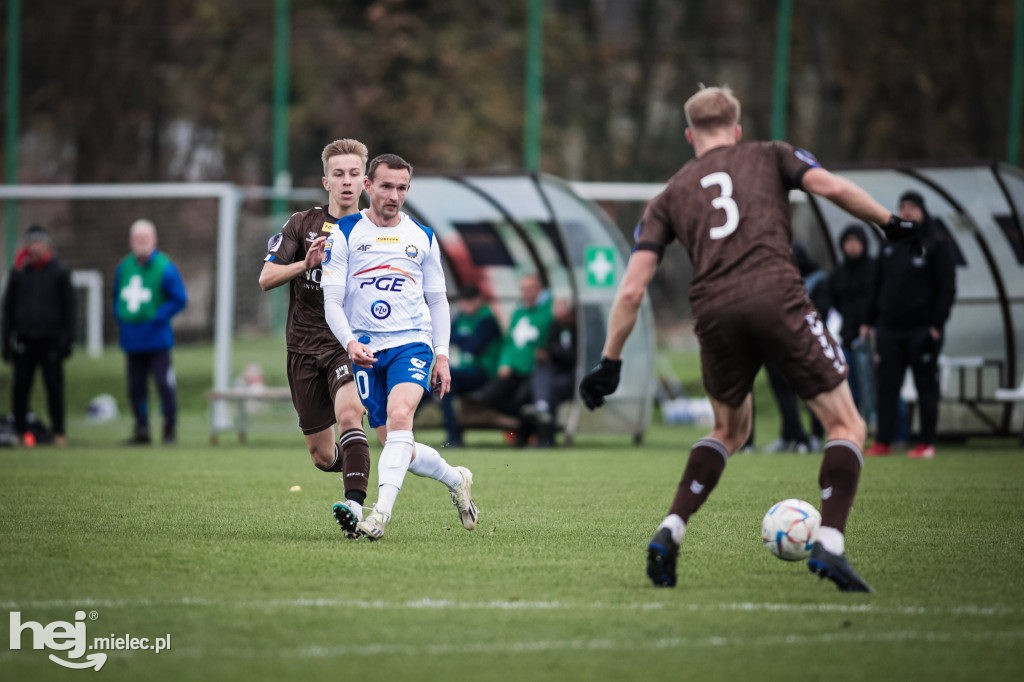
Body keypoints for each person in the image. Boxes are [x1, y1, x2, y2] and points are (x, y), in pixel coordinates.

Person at [579, 86, 918, 592]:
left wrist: (610, 361)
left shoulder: (668, 195)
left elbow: (631, 290)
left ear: (690, 135)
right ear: (736, 129)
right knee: (846, 421)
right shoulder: (770, 154)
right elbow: (829, 186)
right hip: (777, 297)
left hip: (714, 313)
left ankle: (671, 528)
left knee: (729, 430)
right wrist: (889, 222)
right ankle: (830, 543)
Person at [321, 153, 478, 541]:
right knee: (396, 446)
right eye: (386, 186)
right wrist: (350, 342)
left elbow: (438, 301)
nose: (394, 195)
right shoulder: (343, 233)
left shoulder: (422, 236)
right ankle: (456, 478)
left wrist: (441, 354)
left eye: (402, 188)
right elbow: (331, 301)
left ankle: (379, 515)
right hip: (365, 350)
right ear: (368, 186)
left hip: (411, 343)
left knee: (401, 416)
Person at [258, 138, 374, 537]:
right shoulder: (301, 224)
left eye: (354, 174)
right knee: (322, 456)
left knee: (348, 416)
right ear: (326, 181)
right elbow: (266, 278)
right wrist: (303, 265)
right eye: (339, 174)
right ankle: (360, 461)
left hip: (348, 345)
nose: (347, 182)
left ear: (366, 182)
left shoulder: (377, 232)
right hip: (302, 349)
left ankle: (355, 509)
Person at [864, 191, 956, 459]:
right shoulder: (889, 245)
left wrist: (937, 324)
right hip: (889, 330)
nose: (907, 212)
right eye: (902, 206)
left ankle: (926, 443)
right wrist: (869, 322)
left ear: (923, 211)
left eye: (912, 207)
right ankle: (883, 442)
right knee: (887, 388)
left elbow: (947, 288)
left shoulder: (936, 243)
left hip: (922, 329)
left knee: (925, 386)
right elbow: (876, 285)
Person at [113, 219, 188, 445]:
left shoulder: (165, 267)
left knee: (164, 385)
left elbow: (179, 299)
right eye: (137, 239)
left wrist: (158, 315)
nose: (141, 243)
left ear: (154, 240)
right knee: (136, 387)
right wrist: (122, 317)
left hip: (157, 340)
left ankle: (169, 428)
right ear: (131, 241)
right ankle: (142, 429)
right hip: (132, 339)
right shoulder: (124, 267)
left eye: (145, 238)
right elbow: (116, 297)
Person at [1, 225, 76, 446]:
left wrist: (67, 339)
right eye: (31, 242)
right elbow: (8, 310)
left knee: (54, 387)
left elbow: (70, 308)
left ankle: (59, 432)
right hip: (25, 340)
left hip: (51, 341)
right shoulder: (19, 273)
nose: (35, 246)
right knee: (21, 388)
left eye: (39, 242)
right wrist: (6, 341)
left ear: (46, 245)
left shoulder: (60, 272)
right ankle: (19, 432)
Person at [763, 244, 829, 453]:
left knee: (811, 390)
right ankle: (792, 434)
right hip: (778, 342)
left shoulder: (817, 280)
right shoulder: (774, 281)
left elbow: (821, 312)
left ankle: (817, 436)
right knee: (783, 391)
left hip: (806, 344)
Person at [478, 273, 552, 444]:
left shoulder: (547, 313)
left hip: (534, 370)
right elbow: (508, 342)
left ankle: (526, 436)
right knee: (490, 395)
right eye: (524, 289)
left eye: (531, 288)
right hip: (513, 369)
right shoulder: (518, 313)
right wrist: (504, 363)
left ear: (540, 291)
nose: (527, 292)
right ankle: (527, 424)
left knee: (523, 397)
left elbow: (549, 340)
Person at [438, 284, 502, 447]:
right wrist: (465, 338)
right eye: (463, 302)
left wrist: (462, 339)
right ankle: (453, 436)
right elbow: (448, 336)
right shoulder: (462, 316)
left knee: (443, 377)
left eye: (469, 302)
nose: (465, 306)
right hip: (465, 372)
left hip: (484, 372)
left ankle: (454, 436)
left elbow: (474, 346)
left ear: (478, 300)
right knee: (445, 387)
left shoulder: (487, 319)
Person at [828, 224, 877, 418]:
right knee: (850, 387)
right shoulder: (838, 273)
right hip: (846, 337)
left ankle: (892, 433)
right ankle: (854, 427)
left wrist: (871, 323)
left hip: (871, 338)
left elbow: (880, 299)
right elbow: (834, 304)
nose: (852, 246)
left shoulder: (874, 269)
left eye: (856, 242)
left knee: (875, 385)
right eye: (848, 242)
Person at [522, 298, 577, 447]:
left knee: (548, 390)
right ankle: (542, 410)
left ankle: (545, 434)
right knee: (542, 374)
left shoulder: (579, 329)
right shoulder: (555, 326)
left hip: (574, 376)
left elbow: (575, 355)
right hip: (555, 373)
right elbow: (551, 347)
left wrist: (553, 353)